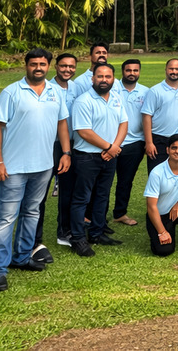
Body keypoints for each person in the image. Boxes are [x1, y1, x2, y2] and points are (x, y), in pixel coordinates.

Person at [0, 49, 70, 292]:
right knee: (6, 218)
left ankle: (22, 257)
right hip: (13, 168)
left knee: (32, 212)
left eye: (42, 64)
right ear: (26, 66)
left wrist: (66, 153)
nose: (38, 68)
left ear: (48, 66)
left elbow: (62, 122)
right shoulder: (11, 92)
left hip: (44, 166)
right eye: (33, 64)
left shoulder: (55, 92)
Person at [68, 63, 127, 257]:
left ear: (113, 79)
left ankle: (97, 233)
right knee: (82, 198)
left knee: (102, 195)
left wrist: (114, 149)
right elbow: (84, 131)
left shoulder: (117, 98)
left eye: (108, 76)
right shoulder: (83, 101)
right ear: (92, 79)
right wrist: (109, 147)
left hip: (110, 156)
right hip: (87, 157)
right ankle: (78, 238)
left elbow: (123, 124)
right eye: (100, 76)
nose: (104, 80)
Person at [38, 52, 76, 256]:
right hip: (47, 145)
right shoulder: (47, 88)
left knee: (67, 191)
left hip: (70, 146)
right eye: (63, 66)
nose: (67, 70)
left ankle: (65, 232)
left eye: (71, 66)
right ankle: (36, 238)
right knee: (40, 193)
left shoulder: (77, 88)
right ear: (56, 67)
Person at [141, 59, 178, 171]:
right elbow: (146, 116)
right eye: (171, 69)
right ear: (166, 70)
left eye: (177, 69)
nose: (174, 71)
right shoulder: (155, 91)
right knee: (157, 173)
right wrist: (149, 142)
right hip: (159, 139)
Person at [110, 60, 149, 229]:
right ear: (122, 71)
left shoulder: (146, 92)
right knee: (103, 181)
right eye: (128, 70)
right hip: (111, 143)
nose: (131, 73)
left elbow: (149, 117)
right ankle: (93, 215)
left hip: (135, 143)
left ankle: (120, 213)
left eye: (135, 70)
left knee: (125, 181)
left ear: (139, 72)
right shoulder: (112, 89)